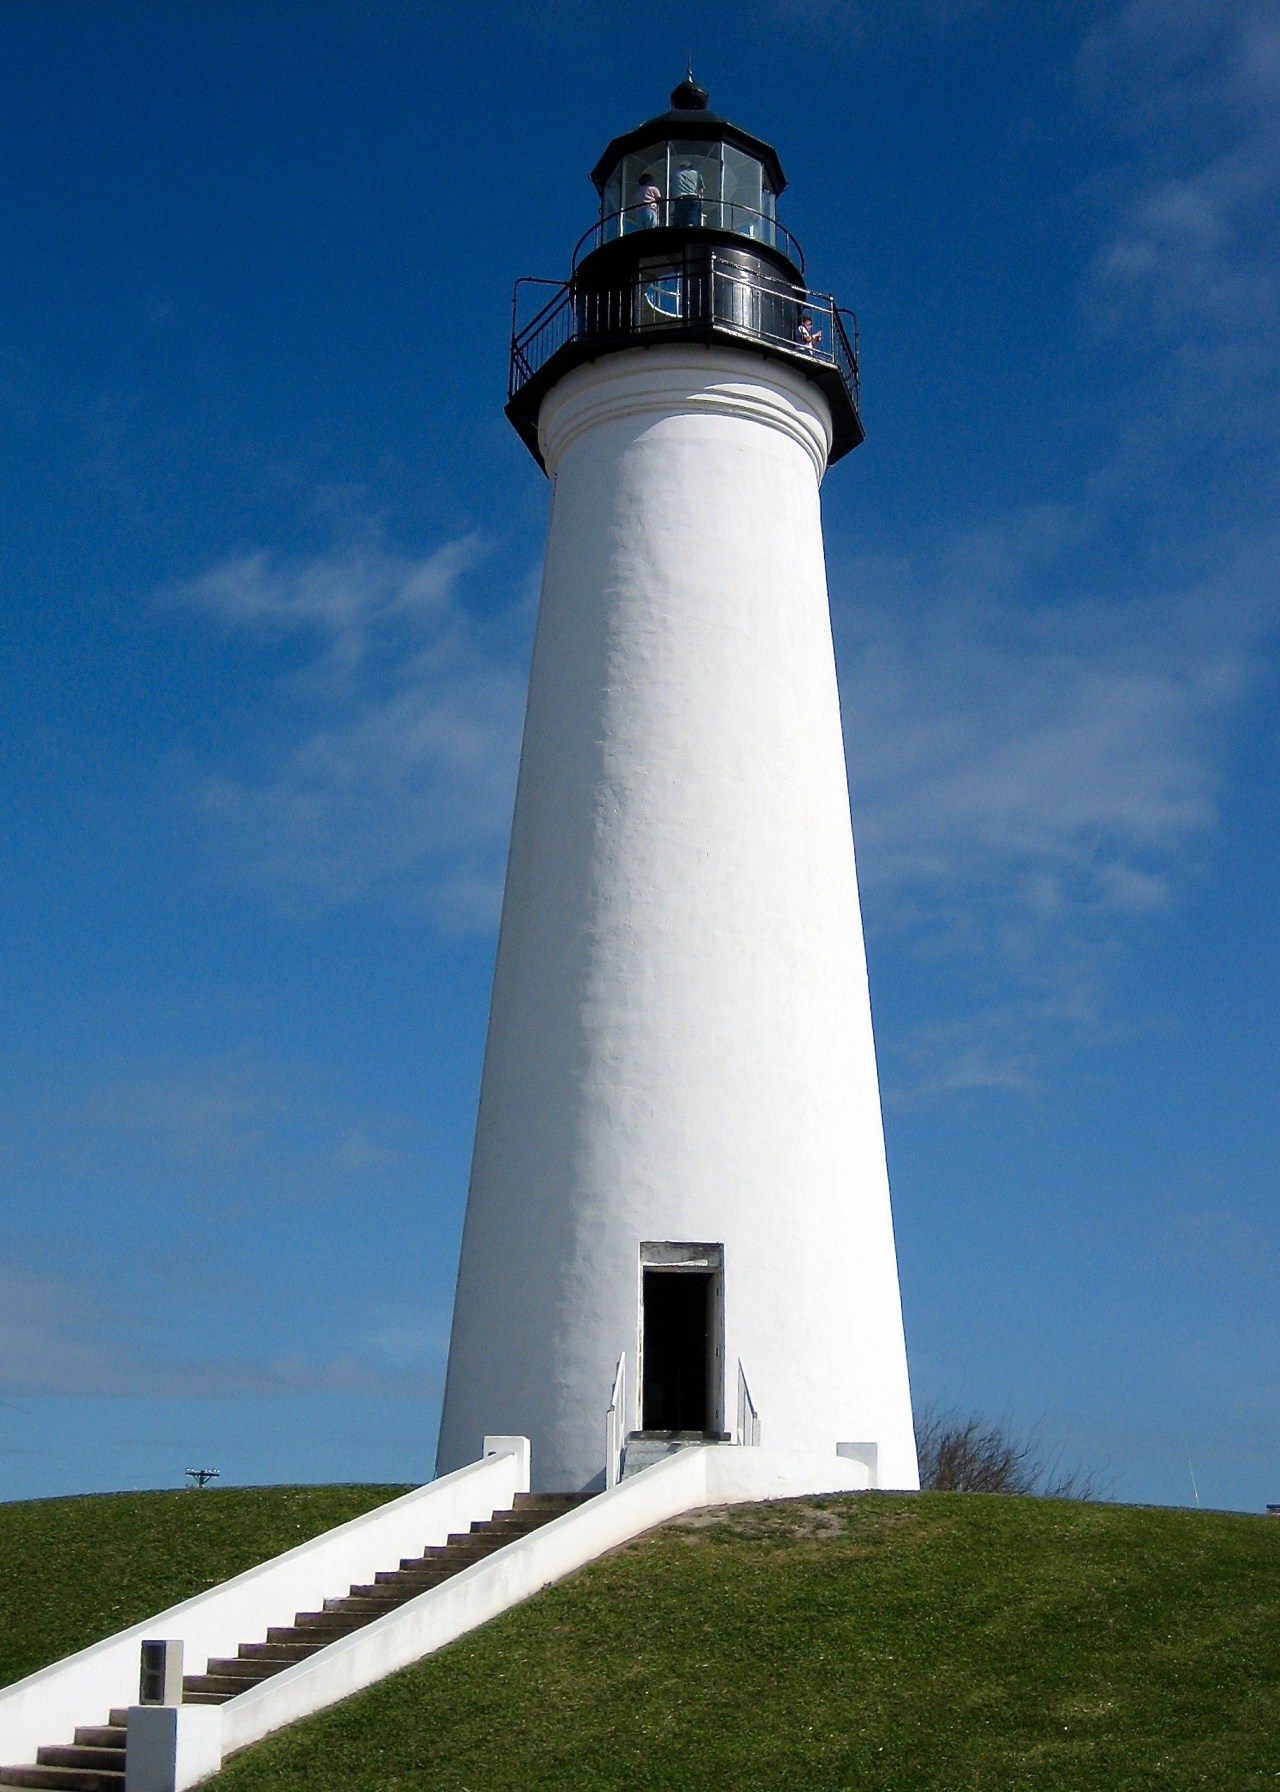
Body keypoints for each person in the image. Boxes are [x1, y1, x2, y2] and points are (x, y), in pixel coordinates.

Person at [673, 161, 705, 228]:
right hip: (693, 199)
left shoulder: (676, 174)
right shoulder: (696, 173)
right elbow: (701, 189)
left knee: (679, 223)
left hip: (680, 199)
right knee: (693, 221)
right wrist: (701, 200)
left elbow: (671, 189)